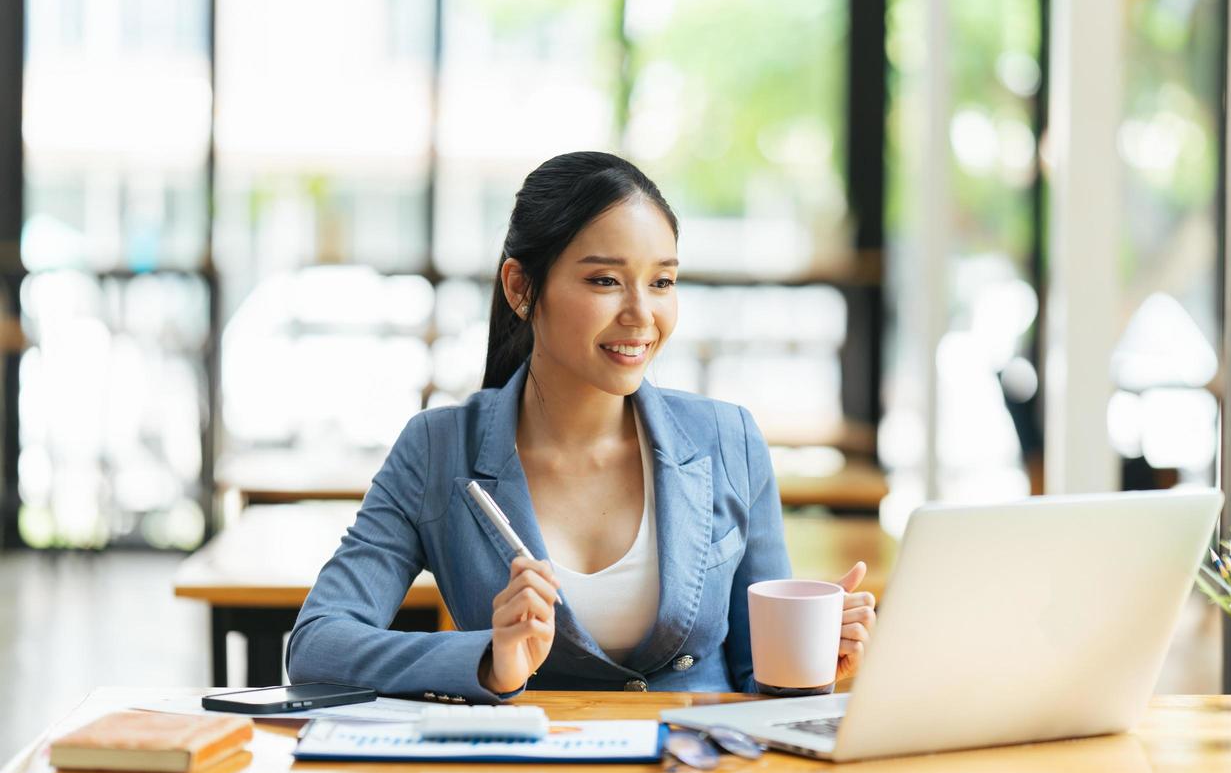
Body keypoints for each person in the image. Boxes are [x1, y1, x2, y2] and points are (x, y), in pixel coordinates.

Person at [287, 151, 877, 700]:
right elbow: (318, 644)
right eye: (605, 280)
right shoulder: (440, 450)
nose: (641, 315)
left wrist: (814, 663)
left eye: (662, 282)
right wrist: (491, 660)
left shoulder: (728, 440)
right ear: (521, 288)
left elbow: (758, 681)